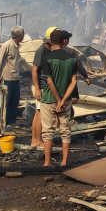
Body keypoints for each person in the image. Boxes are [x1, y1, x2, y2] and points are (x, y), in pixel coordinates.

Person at [31, 27, 91, 147]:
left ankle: (41, 140)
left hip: (49, 85)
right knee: (39, 113)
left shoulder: (50, 51)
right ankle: (36, 140)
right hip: (44, 86)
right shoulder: (42, 51)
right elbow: (34, 70)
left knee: (43, 114)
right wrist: (37, 88)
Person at [38, 29, 78, 166]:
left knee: (48, 131)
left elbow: (49, 81)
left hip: (49, 99)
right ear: (65, 41)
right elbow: (73, 82)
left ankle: (47, 163)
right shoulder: (72, 58)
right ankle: (64, 162)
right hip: (66, 100)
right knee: (65, 130)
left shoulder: (47, 58)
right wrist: (63, 100)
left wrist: (57, 100)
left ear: (50, 41)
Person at [0, 25, 25, 131]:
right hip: (7, 78)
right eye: (23, 34)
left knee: (14, 101)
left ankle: (11, 122)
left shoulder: (17, 46)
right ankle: (0, 121)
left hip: (15, 78)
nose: (23, 36)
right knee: (4, 101)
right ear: (19, 35)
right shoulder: (6, 45)